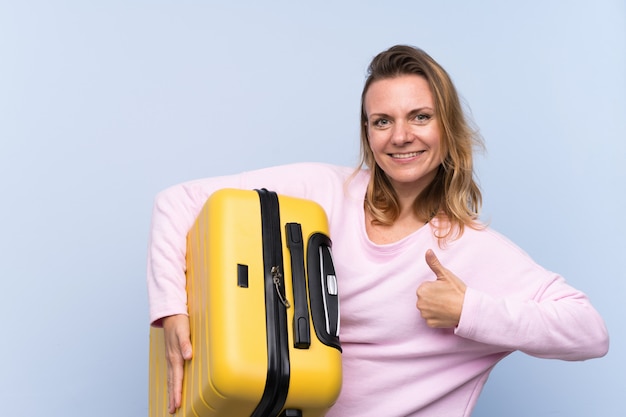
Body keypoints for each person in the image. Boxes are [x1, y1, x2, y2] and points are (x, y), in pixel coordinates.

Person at [146, 45, 609, 416]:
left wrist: (471, 310)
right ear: (368, 133)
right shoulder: (323, 191)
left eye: (420, 117)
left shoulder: (473, 250)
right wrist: (173, 312)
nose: (400, 136)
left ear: (448, 127)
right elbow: (178, 201)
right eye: (382, 121)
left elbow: (591, 333)